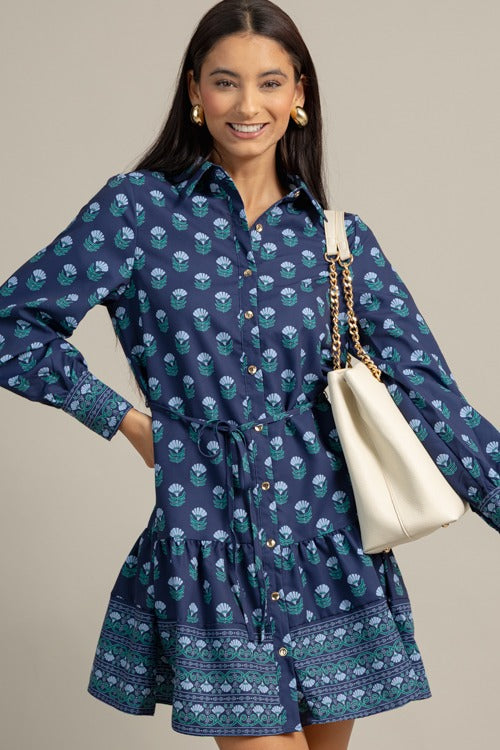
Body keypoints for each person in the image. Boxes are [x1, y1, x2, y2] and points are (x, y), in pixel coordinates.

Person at [0, 1, 498, 748]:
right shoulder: (136, 211)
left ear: (299, 94)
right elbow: (13, 324)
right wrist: (125, 422)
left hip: (327, 545)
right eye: (225, 81)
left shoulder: (337, 240)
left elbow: (427, 392)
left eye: (269, 82)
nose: (247, 104)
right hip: (209, 542)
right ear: (195, 92)